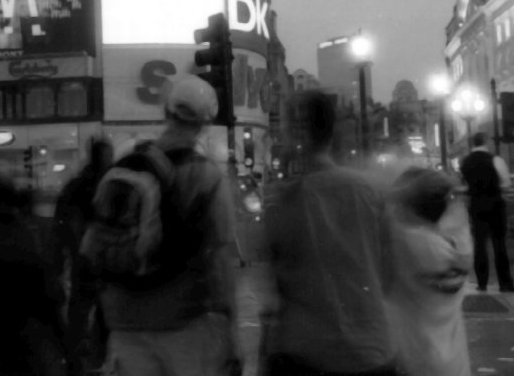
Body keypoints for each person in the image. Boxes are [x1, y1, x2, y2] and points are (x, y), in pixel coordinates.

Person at [83, 74, 240, 376]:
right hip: (183, 325)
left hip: (123, 322)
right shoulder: (206, 176)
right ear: (205, 124)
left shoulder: (126, 164)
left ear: (166, 112)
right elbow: (220, 259)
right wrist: (230, 329)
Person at [263, 90, 397, 376]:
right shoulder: (369, 191)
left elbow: (278, 281)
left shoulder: (285, 200)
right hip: (371, 348)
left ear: (296, 131)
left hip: (307, 352)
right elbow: (390, 272)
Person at [385, 167, 471, 376]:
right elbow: (456, 213)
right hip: (455, 366)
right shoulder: (461, 246)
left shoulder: (409, 243)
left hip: (414, 362)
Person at [51, 137, 112, 375]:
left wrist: (59, 260)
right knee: (102, 315)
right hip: (101, 261)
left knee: (80, 312)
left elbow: (61, 226)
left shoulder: (76, 186)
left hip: (82, 260)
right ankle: (98, 360)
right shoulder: (108, 185)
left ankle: (75, 361)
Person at [459, 131, 514, 292]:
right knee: (499, 245)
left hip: (476, 206)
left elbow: (465, 184)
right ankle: (505, 283)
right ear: (485, 141)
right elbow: (505, 183)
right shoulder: (495, 160)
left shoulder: (466, 162)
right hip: (495, 204)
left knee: (479, 245)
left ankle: (481, 283)